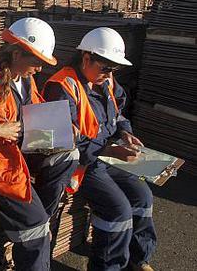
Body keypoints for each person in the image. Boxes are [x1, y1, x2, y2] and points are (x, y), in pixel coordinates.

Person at [0, 18, 78, 271]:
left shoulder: (24, 78)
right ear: (17, 53)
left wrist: (61, 125)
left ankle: (34, 217)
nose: (40, 69)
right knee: (36, 229)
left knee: (68, 154)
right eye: (37, 62)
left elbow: (32, 108)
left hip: (20, 147)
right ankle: (34, 223)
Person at [42, 27, 156, 271]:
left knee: (143, 196)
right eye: (105, 67)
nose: (110, 73)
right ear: (86, 58)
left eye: (114, 69)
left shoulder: (106, 81)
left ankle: (138, 259)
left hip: (108, 155)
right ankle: (108, 267)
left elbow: (120, 113)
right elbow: (63, 141)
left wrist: (126, 132)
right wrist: (110, 150)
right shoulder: (61, 87)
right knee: (118, 210)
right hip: (82, 163)